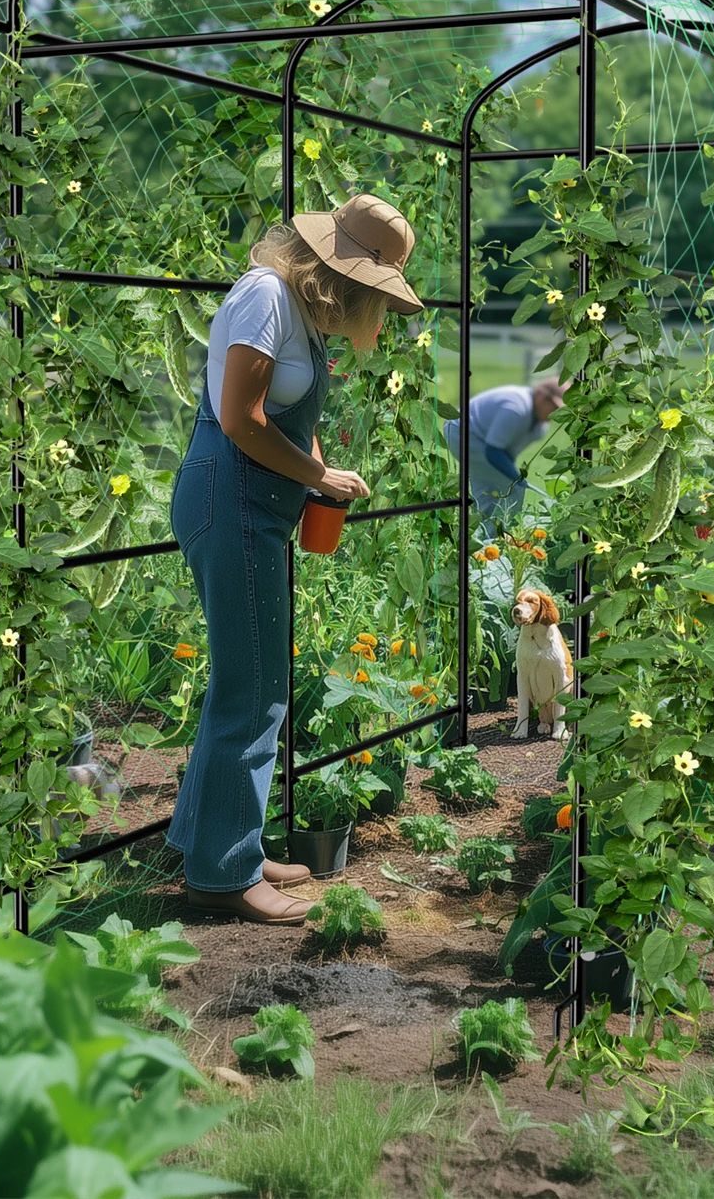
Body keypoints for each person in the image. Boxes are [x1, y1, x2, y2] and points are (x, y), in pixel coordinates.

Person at [166, 193, 422, 925]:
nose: (372, 311)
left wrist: (317, 468)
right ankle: (223, 875)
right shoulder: (264, 297)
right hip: (230, 501)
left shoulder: (299, 316)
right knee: (255, 693)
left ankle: (210, 838)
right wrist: (317, 479)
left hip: (255, 507)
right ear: (338, 271)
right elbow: (238, 419)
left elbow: (286, 416)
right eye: (372, 292)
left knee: (246, 682)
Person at [444, 378, 565, 524]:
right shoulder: (516, 409)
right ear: (540, 395)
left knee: (494, 490)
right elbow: (493, 451)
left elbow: (507, 454)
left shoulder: (539, 429)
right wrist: (516, 479)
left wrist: (514, 477)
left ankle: (486, 536)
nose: (555, 413)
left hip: (482, 440)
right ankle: (497, 537)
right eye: (552, 406)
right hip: (463, 432)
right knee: (510, 489)